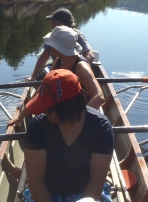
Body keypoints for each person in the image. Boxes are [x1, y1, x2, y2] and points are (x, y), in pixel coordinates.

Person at [22, 69, 113, 202]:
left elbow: (96, 181)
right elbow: (36, 181)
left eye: (48, 107)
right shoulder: (38, 126)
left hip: (86, 196)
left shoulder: (101, 127)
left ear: (66, 107)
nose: (42, 111)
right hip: (46, 195)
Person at [9, 26, 105, 127]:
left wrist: (78, 121)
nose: (49, 46)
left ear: (58, 49)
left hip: (79, 111)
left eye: (51, 44)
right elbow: (45, 87)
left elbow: (99, 97)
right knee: (37, 123)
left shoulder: (81, 67)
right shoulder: (58, 61)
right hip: (63, 107)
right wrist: (21, 116)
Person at [28, 8, 95, 82]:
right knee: (43, 74)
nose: (51, 24)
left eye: (52, 21)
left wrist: (77, 76)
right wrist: (33, 76)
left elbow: (90, 56)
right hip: (57, 70)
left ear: (59, 24)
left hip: (73, 73)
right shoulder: (54, 36)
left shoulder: (75, 35)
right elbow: (44, 56)